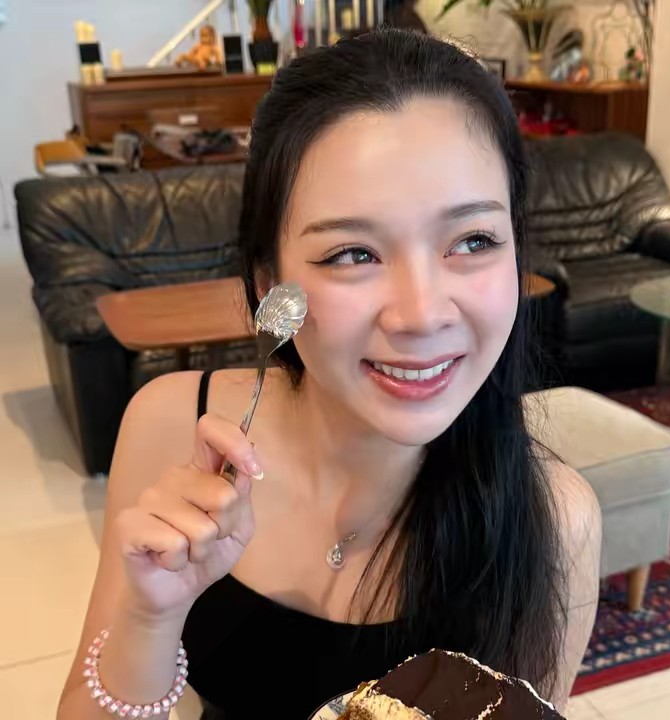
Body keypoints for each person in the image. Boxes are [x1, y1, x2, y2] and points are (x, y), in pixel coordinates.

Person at [58, 28, 601, 720]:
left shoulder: (556, 520)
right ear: (269, 282)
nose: (421, 314)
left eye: (473, 240)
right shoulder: (173, 426)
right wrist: (149, 618)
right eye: (352, 254)